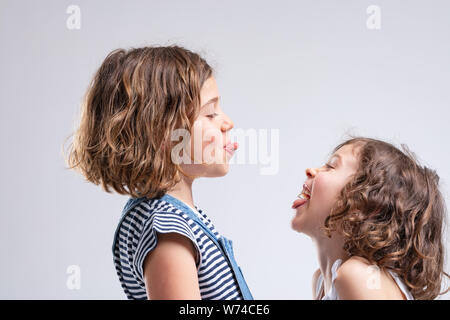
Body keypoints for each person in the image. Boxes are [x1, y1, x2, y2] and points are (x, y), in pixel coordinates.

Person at [66, 45, 253, 300]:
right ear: (163, 134)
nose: (227, 122)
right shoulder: (167, 229)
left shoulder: (169, 218)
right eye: (210, 113)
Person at [291, 137, 449, 300]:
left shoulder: (356, 275)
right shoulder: (321, 282)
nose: (311, 170)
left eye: (331, 166)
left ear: (364, 206)